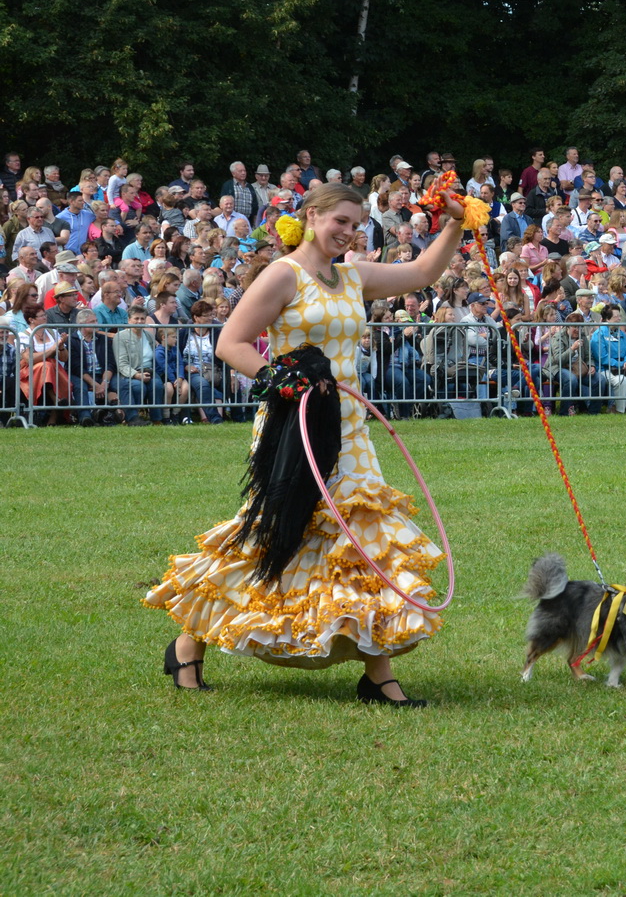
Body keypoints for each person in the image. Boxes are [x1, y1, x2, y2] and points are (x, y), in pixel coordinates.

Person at [145, 180, 469, 705]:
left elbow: (423, 273)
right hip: (293, 428)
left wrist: (457, 221)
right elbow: (231, 343)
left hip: (350, 428)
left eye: (356, 223)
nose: (348, 231)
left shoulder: (352, 275)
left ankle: (378, 675)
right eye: (339, 220)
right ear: (312, 217)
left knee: (361, 542)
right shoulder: (283, 274)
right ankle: (189, 641)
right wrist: (283, 380)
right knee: (275, 537)